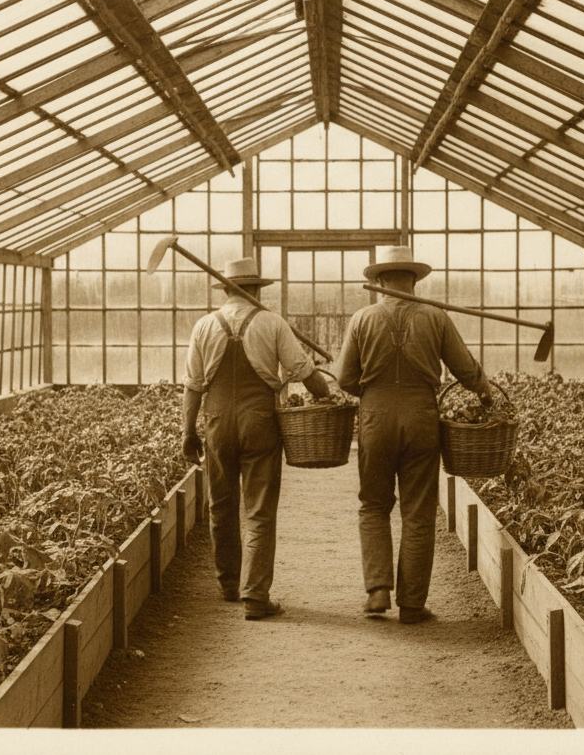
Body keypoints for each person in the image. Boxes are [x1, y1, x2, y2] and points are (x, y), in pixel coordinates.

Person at [335, 246, 492, 624]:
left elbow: (343, 378)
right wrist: (484, 390)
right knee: (418, 512)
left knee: (373, 504)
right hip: (422, 418)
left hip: (375, 417)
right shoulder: (435, 317)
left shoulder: (363, 318)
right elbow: (465, 369)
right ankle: (411, 603)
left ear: (380, 281)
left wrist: (373, 394)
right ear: (414, 280)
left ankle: (377, 591)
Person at [182, 257, 330, 620]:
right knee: (260, 510)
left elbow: (193, 385)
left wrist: (188, 431)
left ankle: (229, 583)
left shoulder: (204, 326)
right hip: (260, 422)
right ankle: (255, 595)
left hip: (217, 422)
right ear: (256, 290)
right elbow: (302, 371)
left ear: (227, 289)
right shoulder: (272, 323)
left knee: (221, 504)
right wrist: (326, 395)